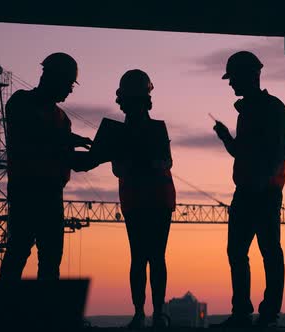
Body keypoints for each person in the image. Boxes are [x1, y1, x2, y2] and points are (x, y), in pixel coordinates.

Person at [0, 52, 94, 280]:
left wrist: (98, 156)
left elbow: (67, 159)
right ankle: (2, 309)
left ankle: (45, 311)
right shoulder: (20, 102)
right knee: (18, 251)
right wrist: (69, 139)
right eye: (69, 84)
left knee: (51, 260)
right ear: (54, 78)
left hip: (52, 193)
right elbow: (33, 136)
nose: (70, 90)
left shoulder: (63, 119)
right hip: (26, 190)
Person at [212, 51, 285, 327]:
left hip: (265, 191)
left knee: (269, 250)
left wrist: (264, 179)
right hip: (246, 190)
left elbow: (280, 150)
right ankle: (244, 313)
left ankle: (268, 314)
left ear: (252, 76)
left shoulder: (272, 108)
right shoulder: (247, 112)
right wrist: (226, 139)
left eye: (234, 78)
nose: (231, 84)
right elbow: (241, 152)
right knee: (237, 252)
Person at [111, 69, 176, 329]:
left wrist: (140, 163)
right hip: (150, 200)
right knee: (149, 257)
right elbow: (119, 167)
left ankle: (146, 313)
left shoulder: (131, 131)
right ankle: (152, 313)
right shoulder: (153, 129)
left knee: (143, 257)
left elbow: (164, 161)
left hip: (148, 200)